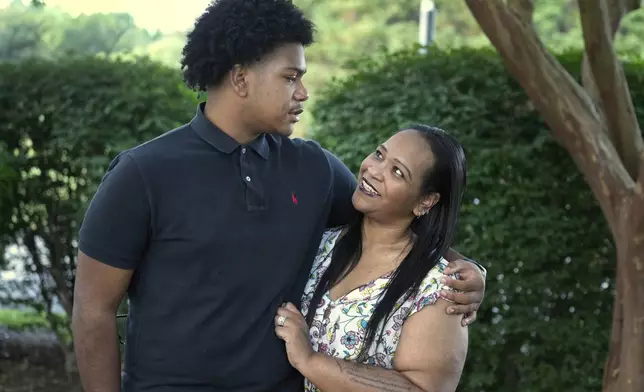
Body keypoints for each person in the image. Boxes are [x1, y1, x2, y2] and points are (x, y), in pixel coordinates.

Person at [71, 1, 486, 392]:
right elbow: (93, 311)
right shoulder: (143, 174)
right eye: (290, 77)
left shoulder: (314, 169)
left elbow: (391, 222)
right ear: (240, 78)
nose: (303, 92)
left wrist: (463, 266)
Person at [275, 125, 469, 392]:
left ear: (425, 201)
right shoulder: (321, 245)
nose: (373, 171)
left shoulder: (438, 289)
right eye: (379, 155)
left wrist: (309, 360)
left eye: (397, 172)